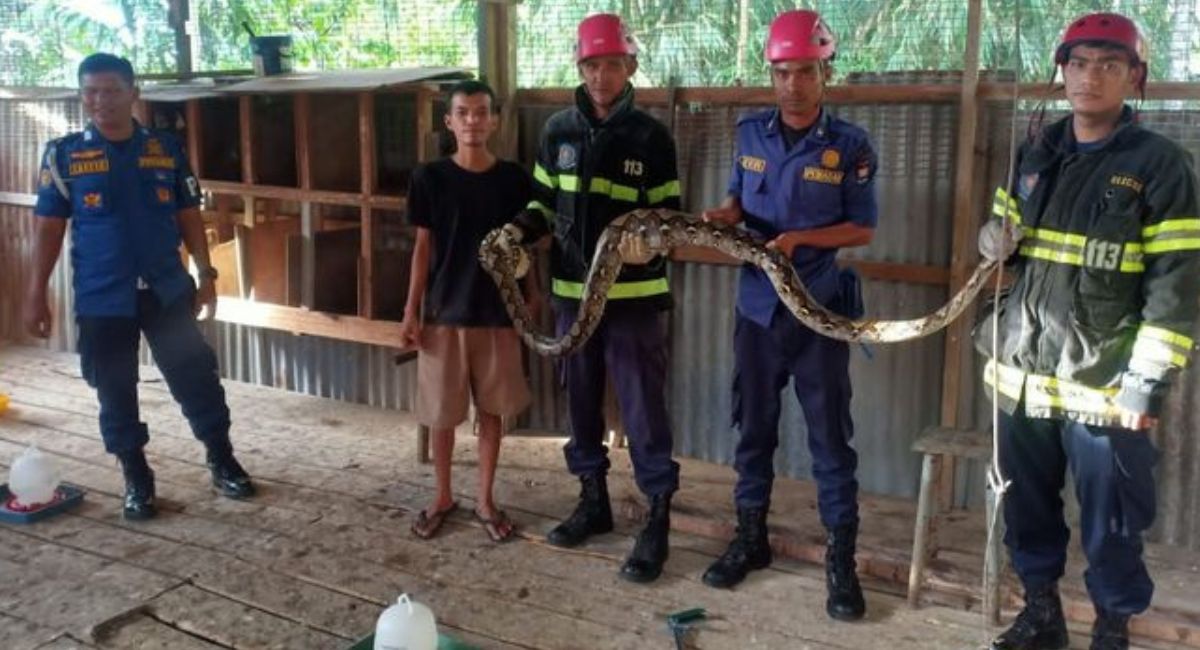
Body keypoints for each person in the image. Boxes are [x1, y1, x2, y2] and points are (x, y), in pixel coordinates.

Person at [977, 13, 1200, 650]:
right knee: (1027, 507)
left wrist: (1146, 382)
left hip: (1104, 387)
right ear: (1062, 72)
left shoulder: (1161, 166)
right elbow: (1002, 253)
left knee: (1113, 524)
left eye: (1108, 64)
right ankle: (1041, 613)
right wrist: (993, 242)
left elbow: (1176, 284)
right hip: (1022, 375)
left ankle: (1112, 627)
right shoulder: (1035, 153)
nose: (1089, 76)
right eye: (1078, 63)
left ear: (1134, 77)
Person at [700, 10, 878, 622]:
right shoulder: (750, 134)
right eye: (781, 72)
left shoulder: (850, 145)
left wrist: (801, 241)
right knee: (753, 430)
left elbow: (864, 227)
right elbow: (737, 198)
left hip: (819, 312)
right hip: (756, 311)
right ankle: (750, 539)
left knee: (830, 439)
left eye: (804, 71)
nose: (792, 85)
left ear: (825, 70)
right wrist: (724, 214)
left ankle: (841, 564)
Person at [24, 53, 255, 521]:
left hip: (166, 291)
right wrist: (34, 294)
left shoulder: (164, 149)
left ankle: (222, 459)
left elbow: (189, 215)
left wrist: (207, 275)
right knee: (114, 388)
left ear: (134, 93)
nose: (100, 100)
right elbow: (47, 229)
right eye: (90, 91)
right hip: (102, 296)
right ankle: (136, 476)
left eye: (111, 90)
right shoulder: (64, 155)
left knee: (196, 379)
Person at [505, 13, 683, 583]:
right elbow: (540, 206)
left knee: (642, 409)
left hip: (634, 300)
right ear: (578, 68)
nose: (602, 75)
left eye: (612, 64)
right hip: (570, 297)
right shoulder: (556, 130)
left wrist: (647, 248)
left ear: (630, 66)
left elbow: (672, 226)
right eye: (591, 64)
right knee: (579, 404)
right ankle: (593, 500)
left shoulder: (652, 138)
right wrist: (515, 233)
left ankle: (657, 518)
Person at [399, 80, 535, 543]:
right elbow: (422, 249)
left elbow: (526, 246)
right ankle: (442, 495)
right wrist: (410, 310)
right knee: (440, 415)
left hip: (499, 314)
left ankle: (485, 498)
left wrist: (529, 297)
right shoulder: (429, 178)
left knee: (493, 412)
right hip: (443, 313)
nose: (473, 121)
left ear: (494, 119)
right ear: (449, 121)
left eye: (481, 112)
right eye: (464, 112)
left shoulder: (515, 180)